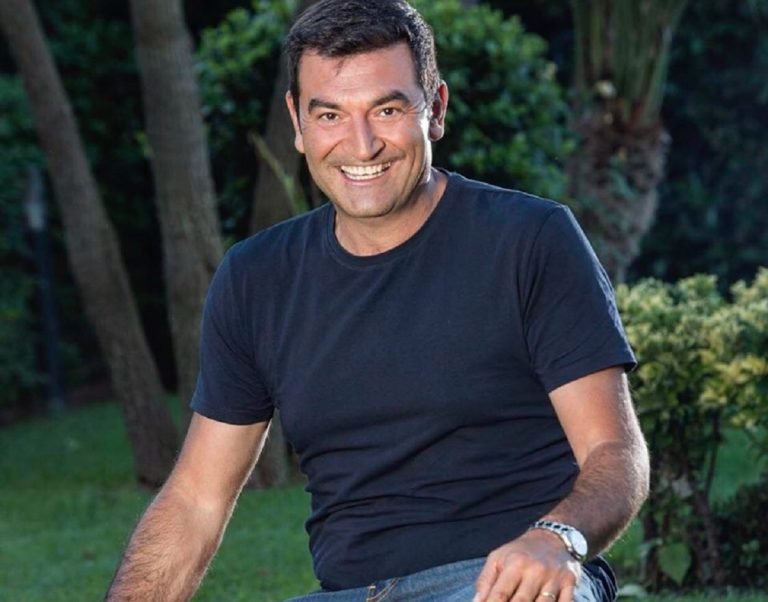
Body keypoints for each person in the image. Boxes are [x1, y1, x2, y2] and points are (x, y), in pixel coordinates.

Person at [106, 1, 649, 601]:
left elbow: (615, 453)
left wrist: (558, 537)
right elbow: (195, 500)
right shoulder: (255, 279)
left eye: (387, 110)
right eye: (330, 115)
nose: (361, 146)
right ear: (297, 123)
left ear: (435, 109)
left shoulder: (529, 240)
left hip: (508, 582)